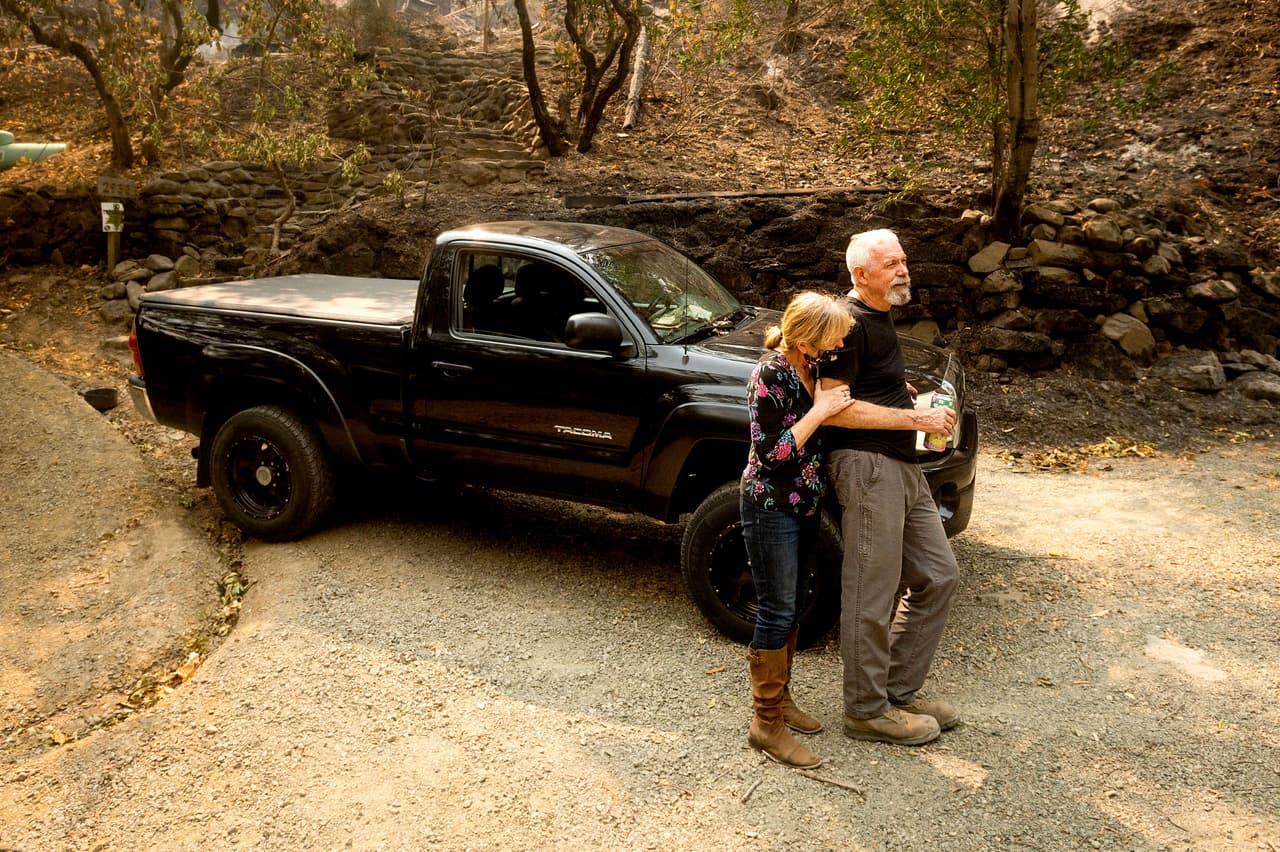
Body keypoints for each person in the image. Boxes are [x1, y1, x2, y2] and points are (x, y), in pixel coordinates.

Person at [818, 228, 960, 747]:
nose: (903, 270)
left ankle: (896, 689)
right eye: (890, 264)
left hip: (901, 465)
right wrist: (911, 417)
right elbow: (834, 404)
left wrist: (897, 393)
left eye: (904, 260)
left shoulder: (879, 316)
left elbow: (864, 386)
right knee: (871, 595)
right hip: (867, 466)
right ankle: (864, 710)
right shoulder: (846, 322)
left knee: (938, 575)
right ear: (860, 275)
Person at [740, 291, 855, 768]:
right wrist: (821, 411)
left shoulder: (812, 368)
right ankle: (765, 724)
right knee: (775, 609)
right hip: (769, 505)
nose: (838, 346)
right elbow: (775, 453)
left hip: (803, 504)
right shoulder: (770, 374)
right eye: (832, 339)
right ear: (807, 340)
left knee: (792, 607)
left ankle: (782, 701)